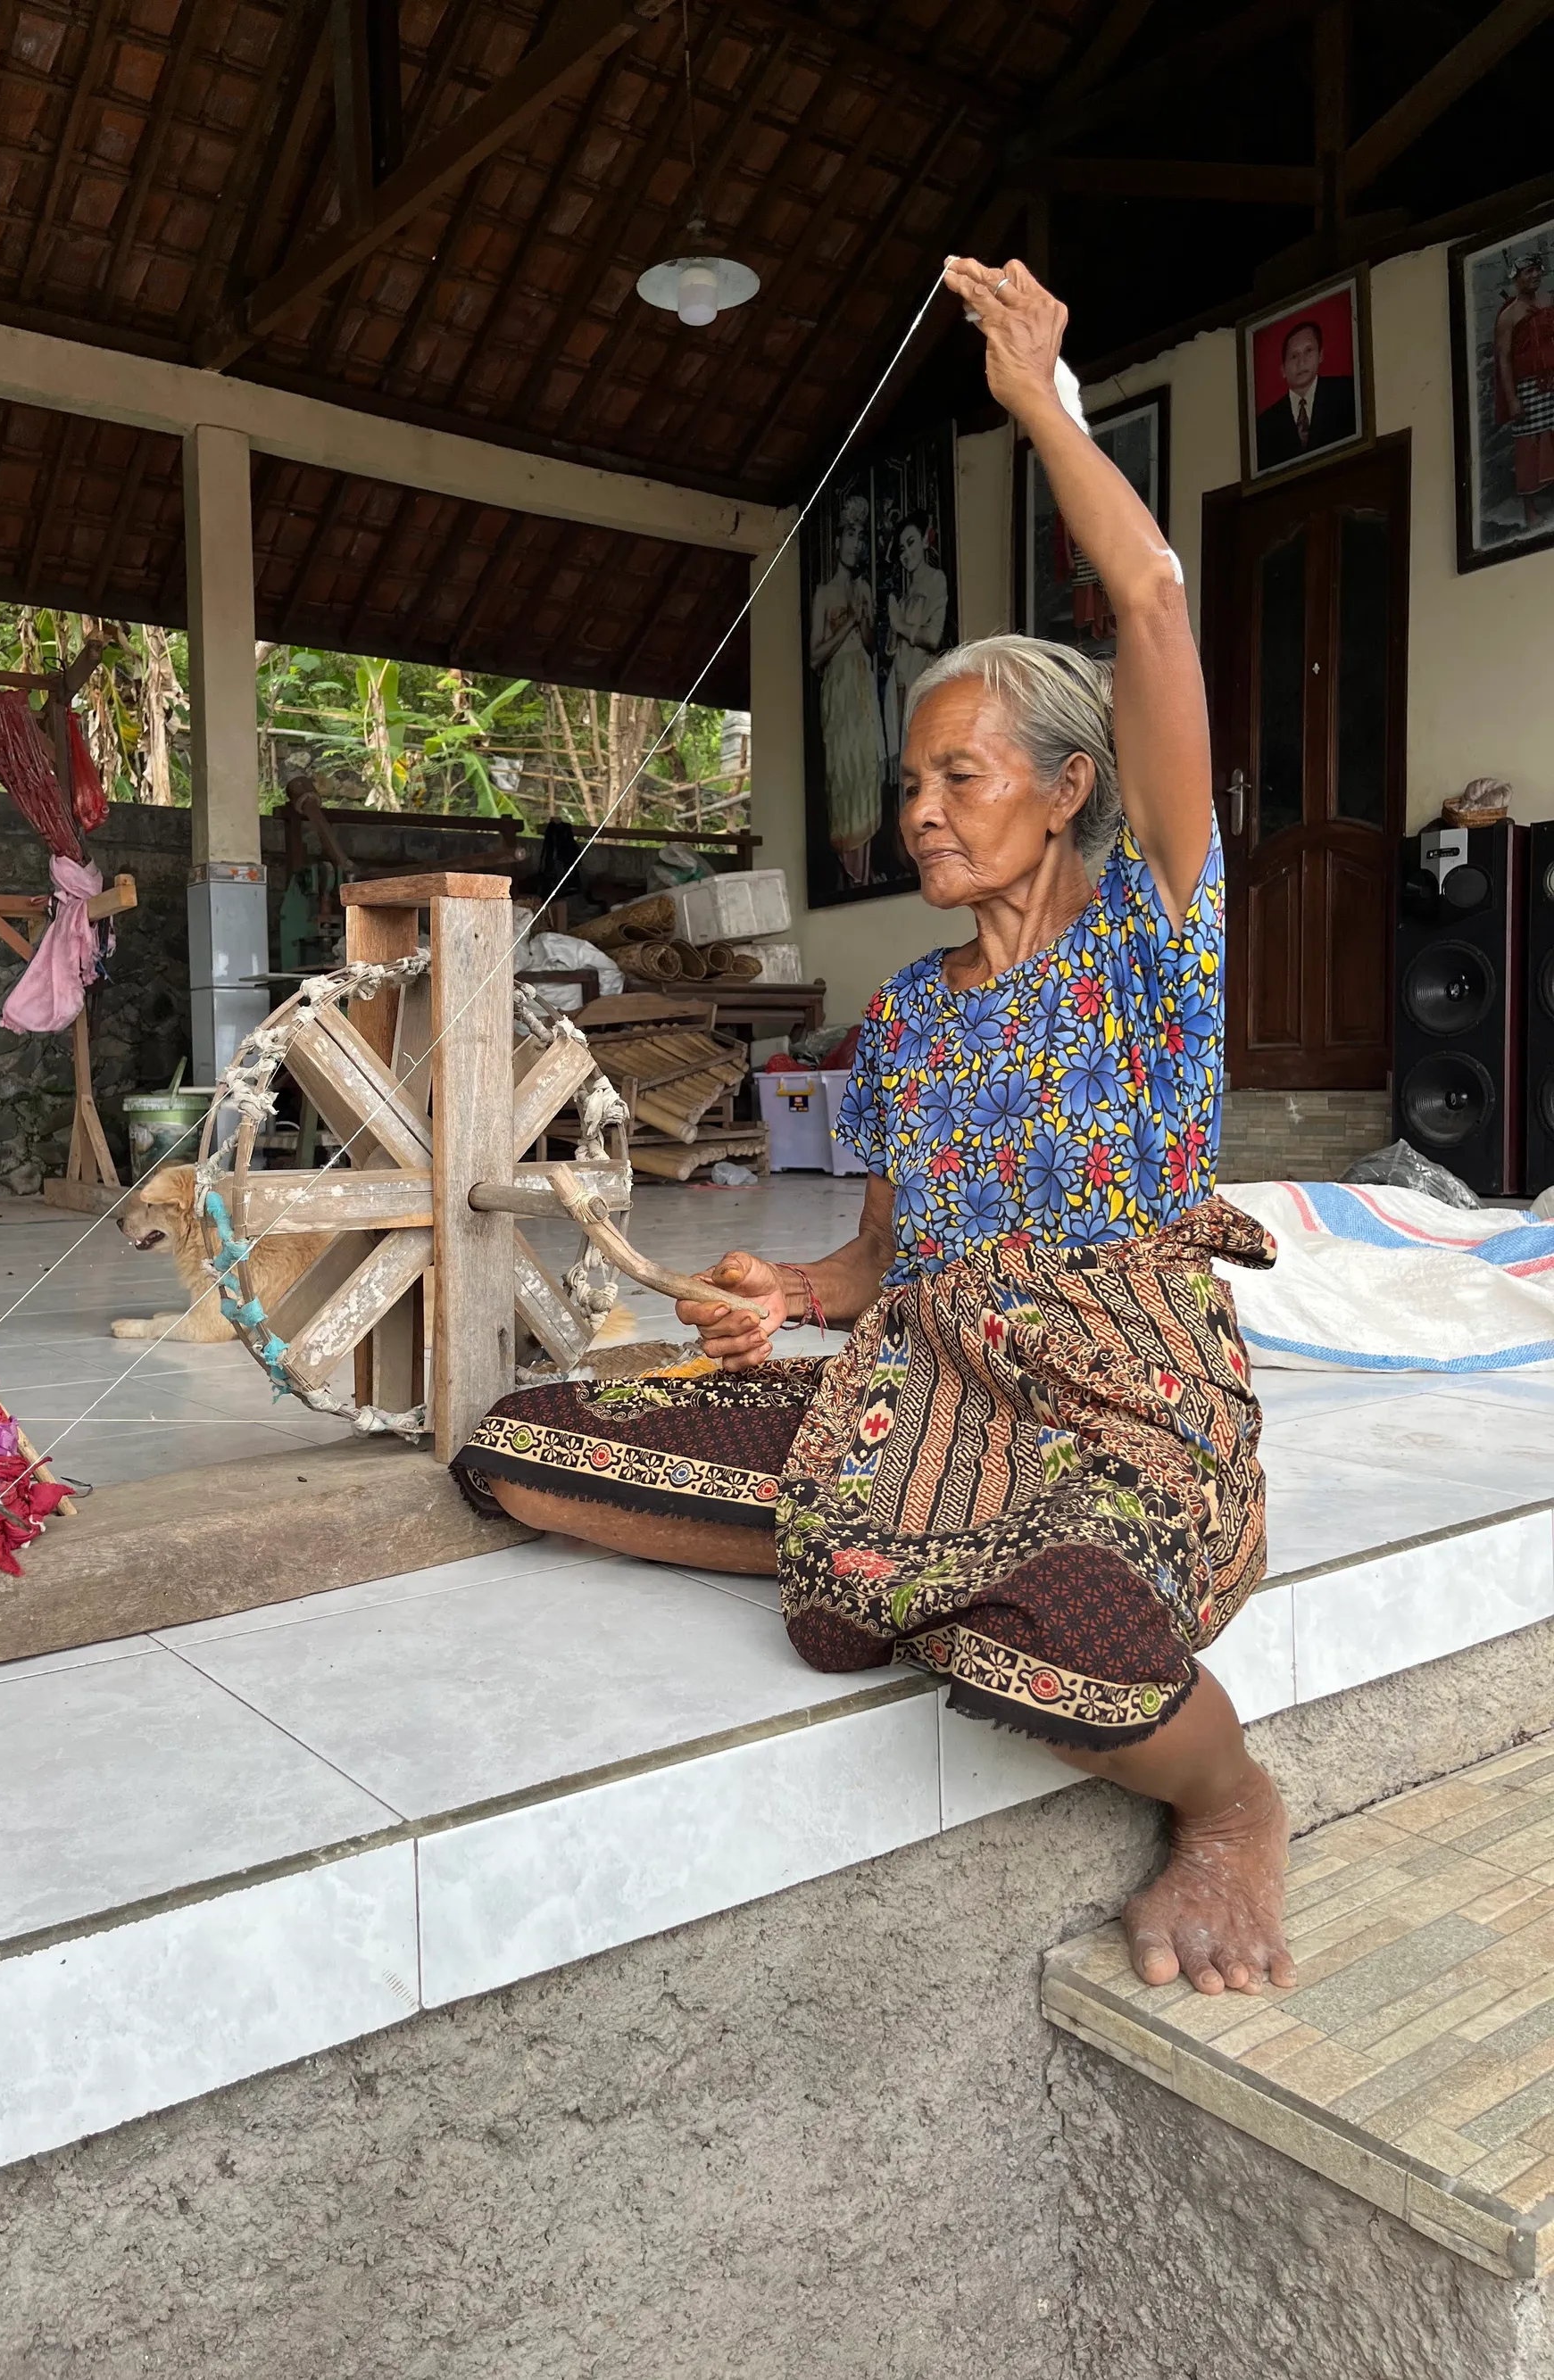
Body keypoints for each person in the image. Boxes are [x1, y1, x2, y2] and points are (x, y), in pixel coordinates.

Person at [453, 256, 1293, 2003]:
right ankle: (910, 1540)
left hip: (1121, 1386)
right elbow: (876, 1259)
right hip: (923, 1380)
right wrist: (790, 1296)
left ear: (1071, 789)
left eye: (957, 775)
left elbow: (1145, 603)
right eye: (904, 781)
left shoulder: (1155, 928)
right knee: (521, 1447)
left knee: (1044, 1641)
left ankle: (1226, 1795)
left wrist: (1043, 400)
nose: (915, 807)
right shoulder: (908, 1018)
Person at [808, 490, 886, 884]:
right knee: (843, 774)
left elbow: (872, 645)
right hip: (837, 691)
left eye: (861, 538)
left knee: (866, 771)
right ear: (837, 541)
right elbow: (815, 656)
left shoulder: (864, 589)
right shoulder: (824, 594)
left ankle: (867, 868)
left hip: (861, 686)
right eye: (850, 536)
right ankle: (848, 870)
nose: (855, 544)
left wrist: (865, 619)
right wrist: (848, 624)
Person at [884, 510, 950, 784]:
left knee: (920, 756)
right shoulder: (905, 592)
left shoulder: (936, 580)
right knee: (900, 756)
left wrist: (899, 625)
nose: (906, 553)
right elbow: (891, 646)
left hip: (921, 673)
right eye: (901, 548)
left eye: (911, 543)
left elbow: (933, 638)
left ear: (925, 540)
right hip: (900, 676)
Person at [1494, 249, 1554, 527]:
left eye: (1537, 270)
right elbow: (1504, 361)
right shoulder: (1508, 316)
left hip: (1553, 380)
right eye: (1528, 271)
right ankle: (1530, 512)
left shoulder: (1549, 300)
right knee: (1528, 446)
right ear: (1516, 278)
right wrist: (1512, 399)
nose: (1535, 275)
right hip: (1528, 389)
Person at [1254, 316, 1358, 473]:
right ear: (1282, 370)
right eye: (1294, 356)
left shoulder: (1348, 393)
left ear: (1320, 355)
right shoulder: (1264, 424)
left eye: (1309, 351)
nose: (1301, 362)